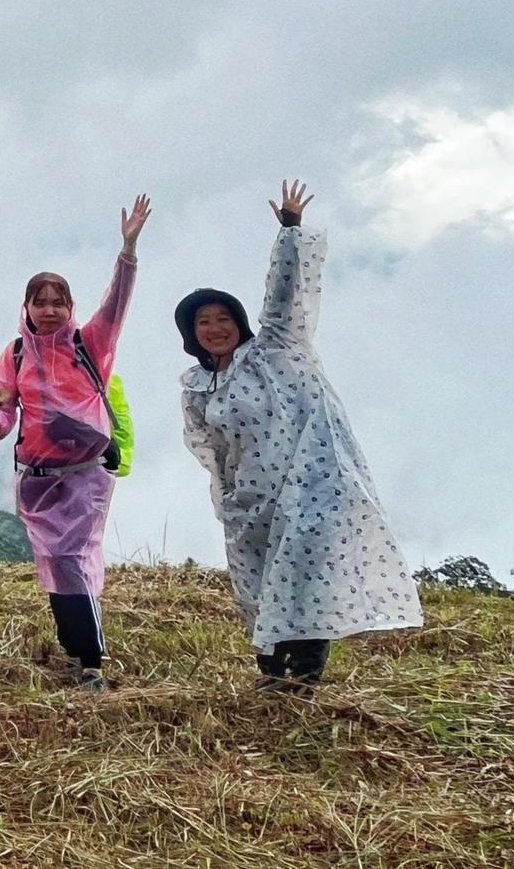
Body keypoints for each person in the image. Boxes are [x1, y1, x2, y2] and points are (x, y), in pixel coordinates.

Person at [175, 181, 422, 694]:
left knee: (305, 573)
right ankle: (273, 673)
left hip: (310, 481)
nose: (216, 327)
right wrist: (227, 498)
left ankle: (305, 677)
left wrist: (289, 233)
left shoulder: (277, 349)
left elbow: (286, 296)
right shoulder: (200, 386)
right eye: (204, 322)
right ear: (191, 334)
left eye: (224, 318)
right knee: (262, 582)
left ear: (240, 323)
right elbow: (209, 447)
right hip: (250, 499)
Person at [0, 195, 150, 692]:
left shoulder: (90, 342)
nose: (50, 310)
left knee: (74, 558)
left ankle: (92, 661)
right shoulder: (16, 353)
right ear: (27, 308)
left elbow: (116, 304)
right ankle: (75, 651)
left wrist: (129, 250)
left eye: (59, 302)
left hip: (85, 475)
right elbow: (4, 403)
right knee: (54, 565)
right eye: (41, 301)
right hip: (36, 478)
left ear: (71, 307)